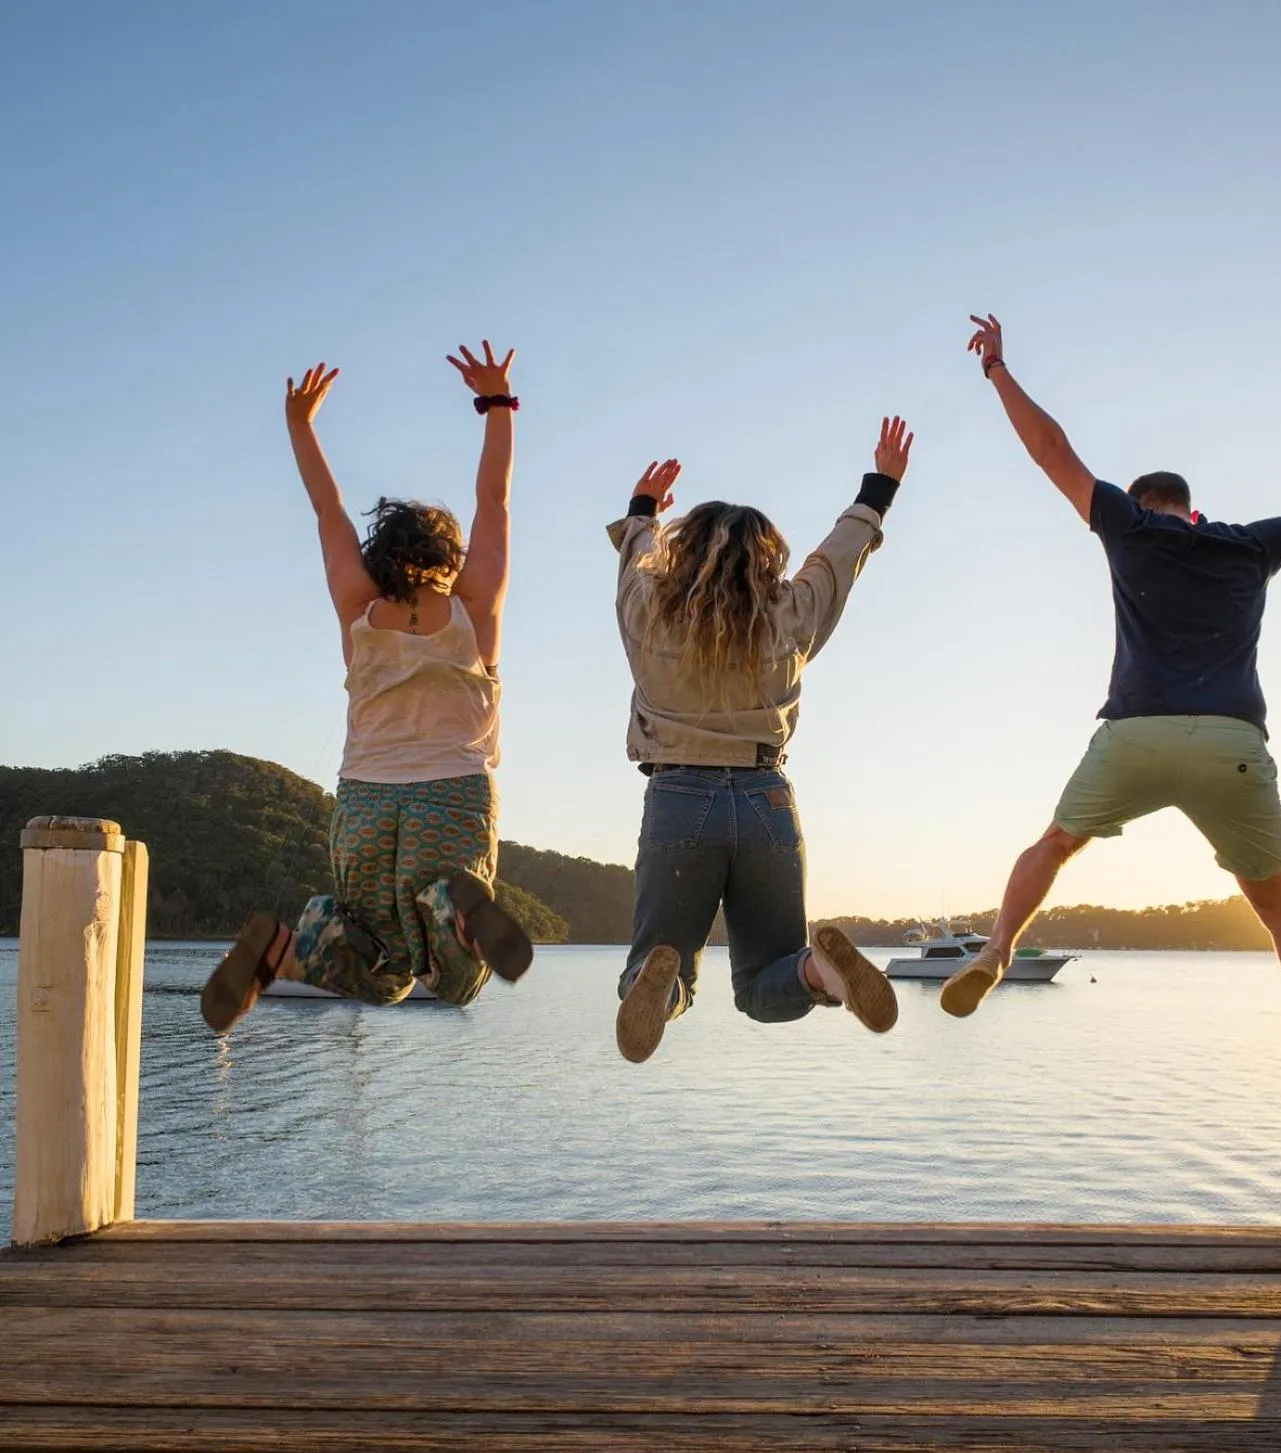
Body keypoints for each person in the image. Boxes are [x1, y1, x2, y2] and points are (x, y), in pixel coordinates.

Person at [945, 314, 1281, 1129]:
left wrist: (999, 371)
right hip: (1231, 744)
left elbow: (1050, 450)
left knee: (1054, 844)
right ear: (1193, 510)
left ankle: (997, 947)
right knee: (1279, 907)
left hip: (1134, 735)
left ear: (1146, 507)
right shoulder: (1248, 545)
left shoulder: (1125, 527)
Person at [201, 343, 533, 1032]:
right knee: (453, 984)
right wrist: (497, 404)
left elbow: (328, 511)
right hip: (452, 790)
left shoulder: (359, 613)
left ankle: (291, 947)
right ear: (450, 558)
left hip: (364, 802)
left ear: (379, 558)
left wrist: (301, 425)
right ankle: (460, 916)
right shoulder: (473, 610)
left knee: (379, 969)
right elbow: (493, 500)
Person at [607, 419, 914, 1063]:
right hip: (765, 799)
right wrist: (879, 486)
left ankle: (654, 983)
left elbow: (636, 557)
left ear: (683, 553)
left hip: (677, 797)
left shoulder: (647, 611)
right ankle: (824, 974)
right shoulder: (790, 615)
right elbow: (838, 559)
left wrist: (644, 509)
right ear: (769, 560)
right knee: (765, 981)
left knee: (664, 960)